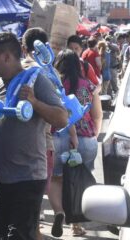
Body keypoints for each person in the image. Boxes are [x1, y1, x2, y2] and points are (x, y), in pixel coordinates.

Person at [0, 32, 67, 240]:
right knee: (3, 234)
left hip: (28, 178)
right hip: (1, 179)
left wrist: (34, 102)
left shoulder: (36, 81)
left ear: (6, 57)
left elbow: (62, 119)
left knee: (19, 236)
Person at [49, 49, 102, 237]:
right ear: (78, 66)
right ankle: (76, 224)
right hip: (84, 139)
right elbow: (96, 115)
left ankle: (59, 212)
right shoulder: (87, 86)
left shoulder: (52, 85)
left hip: (56, 137)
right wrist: (93, 133)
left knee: (56, 179)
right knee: (79, 182)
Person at [21, 27, 58, 240]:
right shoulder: (49, 74)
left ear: (23, 47)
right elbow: (65, 114)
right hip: (44, 145)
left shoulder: (10, 72)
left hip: (14, 151)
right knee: (33, 206)